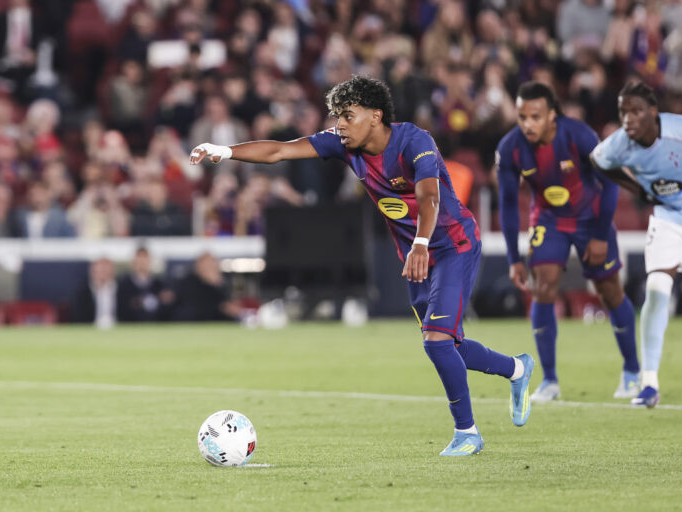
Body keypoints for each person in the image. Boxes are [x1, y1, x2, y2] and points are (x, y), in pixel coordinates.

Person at [189, 75, 535, 456]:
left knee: (437, 341)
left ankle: (467, 433)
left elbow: (429, 194)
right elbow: (280, 152)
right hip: (415, 257)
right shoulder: (343, 145)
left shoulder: (414, 141)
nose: (339, 124)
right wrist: (225, 150)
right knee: (448, 344)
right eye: (336, 116)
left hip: (452, 246)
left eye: (347, 115)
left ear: (376, 116)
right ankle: (517, 369)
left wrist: (421, 243)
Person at [592, 81, 682, 406]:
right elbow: (598, 161)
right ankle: (649, 384)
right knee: (657, 289)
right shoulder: (619, 144)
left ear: (653, 113)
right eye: (623, 112)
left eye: (636, 111)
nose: (629, 118)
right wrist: (638, 190)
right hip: (668, 217)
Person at [496, 81, 641, 403]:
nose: (527, 124)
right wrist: (512, 259)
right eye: (522, 117)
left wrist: (602, 235)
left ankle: (632, 371)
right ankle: (549, 380)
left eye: (535, 116)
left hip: (591, 218)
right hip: (548, 220)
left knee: (610, 292)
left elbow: (611, 185)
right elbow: (507, 204)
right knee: (543, 287)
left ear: (552, 115)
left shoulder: (579, 136)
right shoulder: (510, 148)